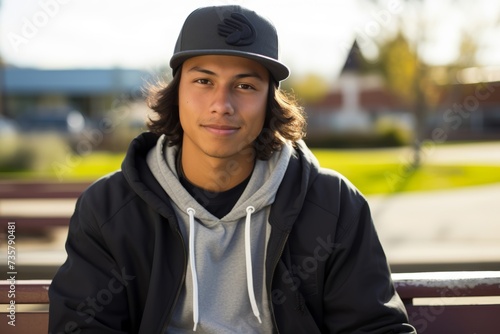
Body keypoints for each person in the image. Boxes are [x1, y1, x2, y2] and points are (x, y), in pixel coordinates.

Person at [48, 5, 417, 334]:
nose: (221, 104)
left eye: (244, 85)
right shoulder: (109, 208)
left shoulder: (333, 204)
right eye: (204, 81)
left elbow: (374, 327)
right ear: (177, 92)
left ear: (270, 102)